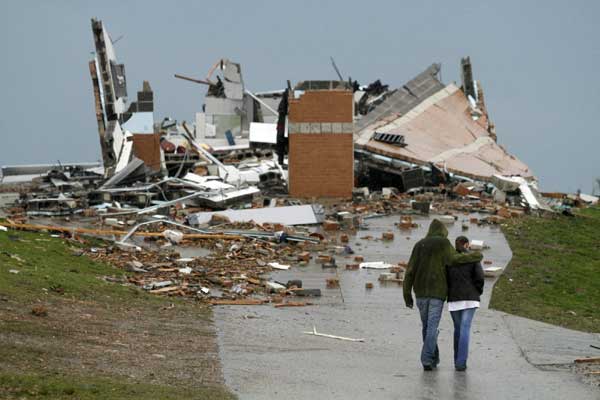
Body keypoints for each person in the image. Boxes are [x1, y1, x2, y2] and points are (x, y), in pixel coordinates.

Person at [403, 219, 483, 371]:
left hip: (420, 293)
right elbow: (455, 259)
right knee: (432, 327)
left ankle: (434, 359)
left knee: (426, 327)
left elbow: (410, 271)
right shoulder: (444, 244)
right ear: (442, 231)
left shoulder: (419, 245)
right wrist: (476, 256)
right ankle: (426, 359)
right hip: (437, 294)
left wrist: (407, 295)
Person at [447, 236, 484, 371]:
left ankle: (457, 358)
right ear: (467, 244)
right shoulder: (473, 258)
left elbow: (446, 279)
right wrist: (477, 291)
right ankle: (461, 363)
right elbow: (479, 277)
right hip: (471, 298)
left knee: (458, 329)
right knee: (465, 329)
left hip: (454, 299)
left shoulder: (450, 259)